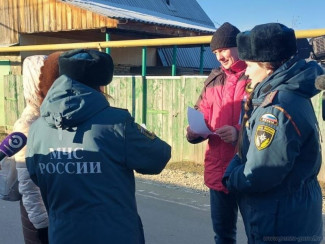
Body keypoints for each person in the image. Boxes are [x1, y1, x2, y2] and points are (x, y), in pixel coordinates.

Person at [25, 49, 171, 244]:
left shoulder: (37, 128)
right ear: (101, 84)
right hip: (115, 235)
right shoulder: (117, 123)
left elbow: (35, 175)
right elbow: (158, 157)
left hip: (63, 235)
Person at [223, 23, 324, 243]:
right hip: (294, 214)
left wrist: (231, 176)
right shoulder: (291, 93)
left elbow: (260, 174)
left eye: (249, 64)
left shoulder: (276, 108)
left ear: (267, 65)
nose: (246, 71)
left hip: (279, 220)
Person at [186, 22, 249, 243]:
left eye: (223, 49)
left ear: (239, 46)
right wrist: (194, 131)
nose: (219, 57)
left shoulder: (255, 76)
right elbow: (201, 112)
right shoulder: (212, 80)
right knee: (223, 235)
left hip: (247, 169)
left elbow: (268, 120)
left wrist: (238, 132)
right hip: (217, 169)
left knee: (258, 234)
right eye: (215, 52)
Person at [8, 52, 62, 244]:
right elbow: (29, 185)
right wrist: (43, 225)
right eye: (45, 78)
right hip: (38, 216)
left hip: (53, 208)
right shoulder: (28, 124)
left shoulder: (50, 116)